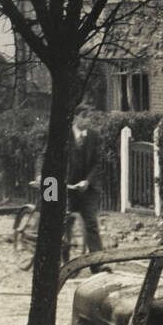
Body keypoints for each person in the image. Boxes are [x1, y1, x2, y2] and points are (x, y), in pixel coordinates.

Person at [66, 104, 105, 253]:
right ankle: (62, 260)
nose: (88, 120)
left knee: (91, 223)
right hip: (65, 186)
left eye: (90, 117)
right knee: (63, 221)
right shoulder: (63, 135)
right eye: (85, 116)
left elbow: (97, 163)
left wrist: (87, 181)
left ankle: (98, 263)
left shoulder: (94, 136)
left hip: (87, 187)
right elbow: (46, 156)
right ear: (75, 118)